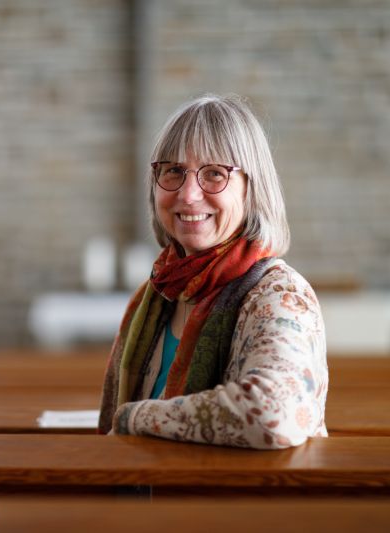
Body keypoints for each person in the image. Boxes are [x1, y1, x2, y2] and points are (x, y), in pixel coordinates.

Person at [98, 94, 328, 449]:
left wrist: (137, 417)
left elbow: (274, 415)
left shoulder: (279, 295)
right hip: (149, 498)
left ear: (252, 189)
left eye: (215, 174)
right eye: (173, 171)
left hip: (237, 502)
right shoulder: (156, 295)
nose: (189, 195)